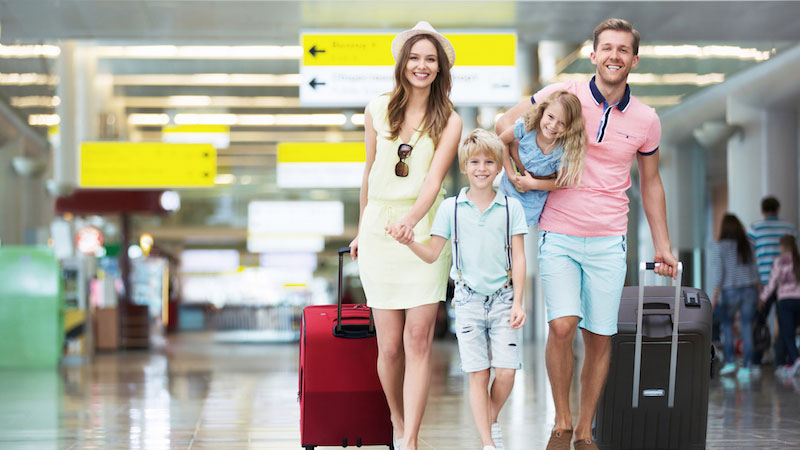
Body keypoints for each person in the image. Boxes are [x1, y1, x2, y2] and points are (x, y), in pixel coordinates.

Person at [495, 18, 678, 450]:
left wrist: (663, 246)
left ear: (634, 59)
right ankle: (561, 422)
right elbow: (507, 123)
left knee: (598, 336)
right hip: (558, 230)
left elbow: (651, 182)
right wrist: (521, 176)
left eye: (623, 49)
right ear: (593, 55)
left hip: (609, 237)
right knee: (562, 326)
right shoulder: (565, 93)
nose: (614, 56)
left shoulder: (647, 120)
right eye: (607, 48)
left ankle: (584, 430)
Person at [349, 21, 462, 450]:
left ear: (440, 68)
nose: (421, 65)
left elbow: (433, 180)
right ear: (402, 63)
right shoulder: (377, 108)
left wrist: (412, 222)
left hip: (424, 231)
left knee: (417, 341)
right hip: (379, 230)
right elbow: (369, 171)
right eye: (414, 57)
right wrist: (361, 229)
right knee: (390, 347)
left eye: (430, 59)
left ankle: (411, 438)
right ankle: (397, 417)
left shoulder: (449, 119)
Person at [389, 128, 527, 450]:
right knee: (478, 373)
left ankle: (490, 418)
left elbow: (519, 258)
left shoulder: (511, 208)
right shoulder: (450, 208)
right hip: (467, 301)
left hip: (504, 299)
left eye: (489, 162)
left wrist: (519, 301)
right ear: (464, 167)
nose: (482, 168)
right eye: (475, 162)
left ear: (499, 166)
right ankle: (488, 443)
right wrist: (410, 242)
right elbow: (432, 253)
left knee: (506, 372)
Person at [498, 89, 587, 226]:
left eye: (562, 123)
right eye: (550, 117)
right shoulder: (527, 126)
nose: (553, 125)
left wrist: (533, 184)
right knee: (499, 225)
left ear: (570, 127)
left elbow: (562, 182)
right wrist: (511, 175)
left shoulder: (564, 150)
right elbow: (501, 142)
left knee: (519, 231)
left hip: (533, 202)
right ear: (542, 111)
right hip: (508, 190)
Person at [748, 196, 799, 368]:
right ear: (778, 210)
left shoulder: (755, 229)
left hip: (765, 282)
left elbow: (750, 258)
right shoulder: (789, 228)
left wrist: (758, 286)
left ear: (762, 211)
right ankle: (782, 361)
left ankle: (755, 360)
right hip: (790, 285)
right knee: (786, 325)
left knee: (759, 322)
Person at [712, 214, 760, 378]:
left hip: (730, 289)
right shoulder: (748, 244)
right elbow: (755, 270)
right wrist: (759, 291)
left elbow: (720, 273)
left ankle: (730, 363)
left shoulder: (721, 246)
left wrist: (715, 294)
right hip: (749, 289)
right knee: (747, 326)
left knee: (727, 326)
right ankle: (747, 366)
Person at [760, 234, 800, 378]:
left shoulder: (779, 261)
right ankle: (790, 363)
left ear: (782, 246)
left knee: (787, 333)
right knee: (793, 331)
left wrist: (762, 298)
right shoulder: (798, 259)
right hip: (798, 300)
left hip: (785, 301)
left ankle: (796, 359)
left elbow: (772, 283)